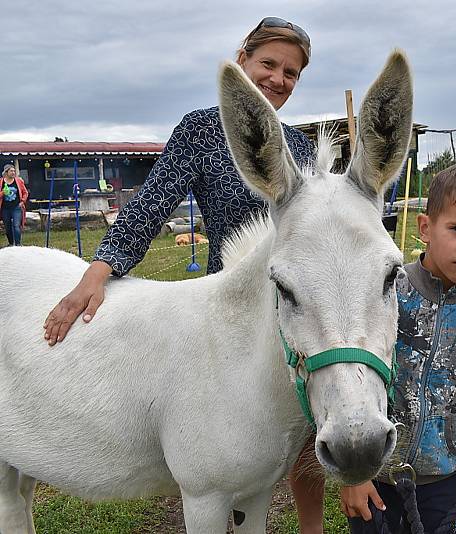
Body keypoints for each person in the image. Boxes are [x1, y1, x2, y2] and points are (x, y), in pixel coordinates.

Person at [41, 17, 324, 534]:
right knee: (221, 447)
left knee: (300, 424)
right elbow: (151, 204)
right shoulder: (201, 130)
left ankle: (307, 525)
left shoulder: (302, 149)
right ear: (243, 58)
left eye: (292, 72)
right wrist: (98, 272)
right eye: (269, 64)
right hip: (226, 310)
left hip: (291, 306)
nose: (279, 79)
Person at [340, 163, 456, 533]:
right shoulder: (385, 295)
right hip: (375, 478)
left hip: (443, 483)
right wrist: (355, 474)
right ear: (425, 228)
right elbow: (351, 383)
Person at [1, 163, 28, 246]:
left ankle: (18, 244)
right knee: (8, 227)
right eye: (11, 171)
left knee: (16, 226)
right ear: (6, 172)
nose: (13, 173)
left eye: (14, 171)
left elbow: (25, 192)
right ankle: (11, 243)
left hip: (16, 207)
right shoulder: (1, 182)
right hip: (5, 208)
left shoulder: (19, 181)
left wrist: (22, 201)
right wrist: (3, 193)